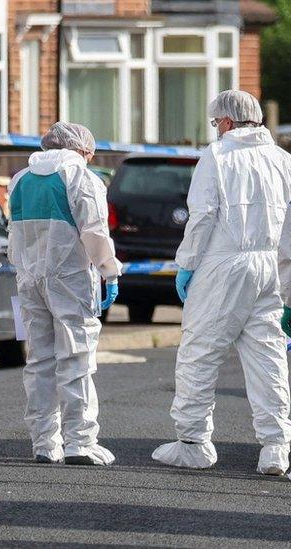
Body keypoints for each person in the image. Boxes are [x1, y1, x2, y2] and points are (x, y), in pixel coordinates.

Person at [153, 90, 291, 475]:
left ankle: (193, 442)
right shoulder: (283, 160)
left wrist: (187, 263)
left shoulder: (216, 157)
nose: (215, 129)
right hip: (269, 267)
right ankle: (276, 447)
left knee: (200, 352)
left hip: (223, 264)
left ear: (227, 122)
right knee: (269, 357)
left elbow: (202, 216)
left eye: (216, 122)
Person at [8, 122, 122, 466]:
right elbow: (95, 233)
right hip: (69, 279)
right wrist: (110, 272)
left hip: (28, 281)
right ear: (83, 150)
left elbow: (13, 235)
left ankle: (44, 442)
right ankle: (80, 442)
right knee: (76, 359)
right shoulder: (82, 178)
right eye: (91, 153)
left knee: (39, 360)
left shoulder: (20, 180)